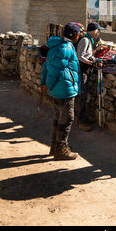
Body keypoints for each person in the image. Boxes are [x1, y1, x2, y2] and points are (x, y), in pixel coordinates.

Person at [40, 22, 81, 160]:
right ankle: (61, 149)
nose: (79, 35)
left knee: (58, 118)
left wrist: (44, 83)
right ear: (74, 35)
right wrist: (49, 84)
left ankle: (54, 146)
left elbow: (46, 66)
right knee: (67, 118)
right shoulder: (65, 48)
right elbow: (56, 70)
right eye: (78, 33)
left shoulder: (56, 45)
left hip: (58, 89)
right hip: (64, 89)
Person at [76, 22, 104, 130]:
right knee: (82, 97)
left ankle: (83, 118)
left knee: (83, 96)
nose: (99, 33)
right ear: (93, 31)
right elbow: (80, 56)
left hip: (84, 71)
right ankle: (81, 121)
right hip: (82, 71)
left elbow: (87, 54)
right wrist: (92, 63)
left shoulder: (88, 40)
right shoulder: (85, 40)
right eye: (98, 30)